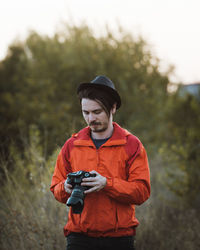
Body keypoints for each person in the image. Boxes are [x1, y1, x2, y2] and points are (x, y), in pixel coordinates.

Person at [50, 75, 150, 250]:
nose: (90, 119)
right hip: (78, 237)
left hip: (119, 238)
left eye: (97, 112)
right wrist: (65, 188)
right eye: (85, 112)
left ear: (112, 108)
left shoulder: (132, 145)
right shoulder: (71, 145)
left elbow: (141, 192)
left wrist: (107, 184)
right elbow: (55, 188)